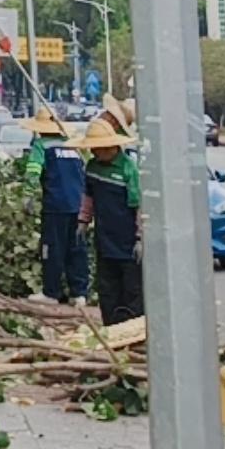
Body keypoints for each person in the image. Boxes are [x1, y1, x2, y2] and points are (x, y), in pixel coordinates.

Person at [76, 116, 144, 325]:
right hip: (104, 239)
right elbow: (88, 196)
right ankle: (110, 328)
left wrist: (140, 237)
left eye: (98, 148)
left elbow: (139, 206)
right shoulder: (92, 167)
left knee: (131, 290)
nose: (94, 152)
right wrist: (83, 220)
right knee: (107, 289)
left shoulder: (128, 169)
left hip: (128, 242)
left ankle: (132, 329)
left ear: (111, 147)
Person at [21, 110, 92, 305]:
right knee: (77, 249)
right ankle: (79, 293)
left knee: (52, 248)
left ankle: (51, 292)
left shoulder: (41, 146)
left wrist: (28, 196)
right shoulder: (73, 145)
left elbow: (33, 171)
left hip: (56, 206)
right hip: (79, 206)